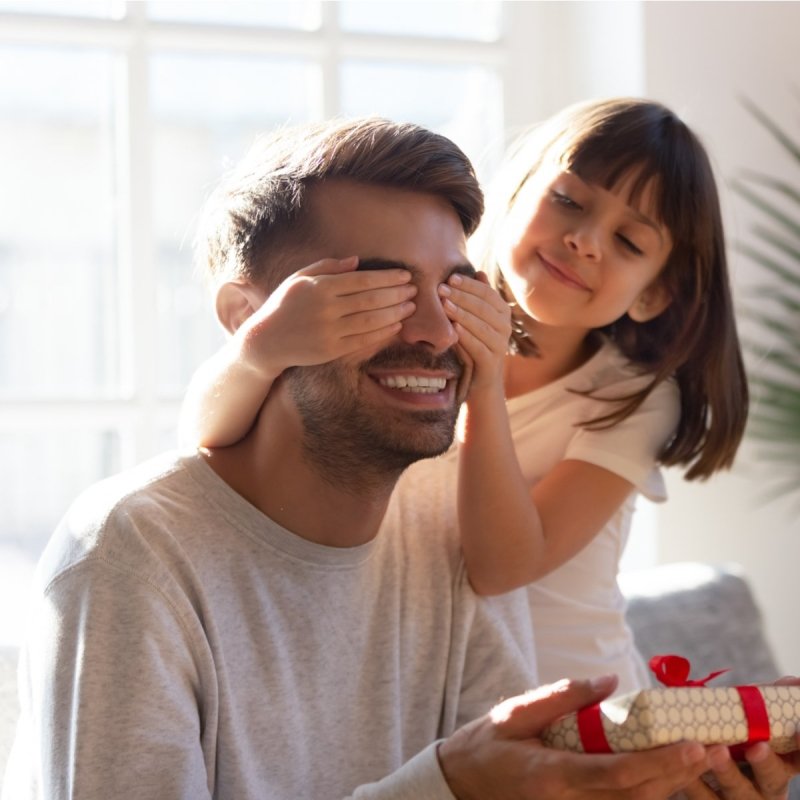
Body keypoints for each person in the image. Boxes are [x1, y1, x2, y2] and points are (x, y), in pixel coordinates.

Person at [2, 116, 790, 800]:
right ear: (250, 320)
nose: (437, 332)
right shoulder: (130, 560)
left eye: (452, 292)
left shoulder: (447, 523)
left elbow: (518, 782)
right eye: (377, 290)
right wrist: (449, 787)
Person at [179, 98, 749, 696]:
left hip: (579, 708)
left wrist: (484, 385)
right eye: (568, 202)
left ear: (653, 296)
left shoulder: (633, 400)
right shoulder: (421, 327)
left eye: (629, 242)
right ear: (514, 195)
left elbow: (501, 568)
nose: (584, 240)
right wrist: (259, 350)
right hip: (433, 697)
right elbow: (208, 439)